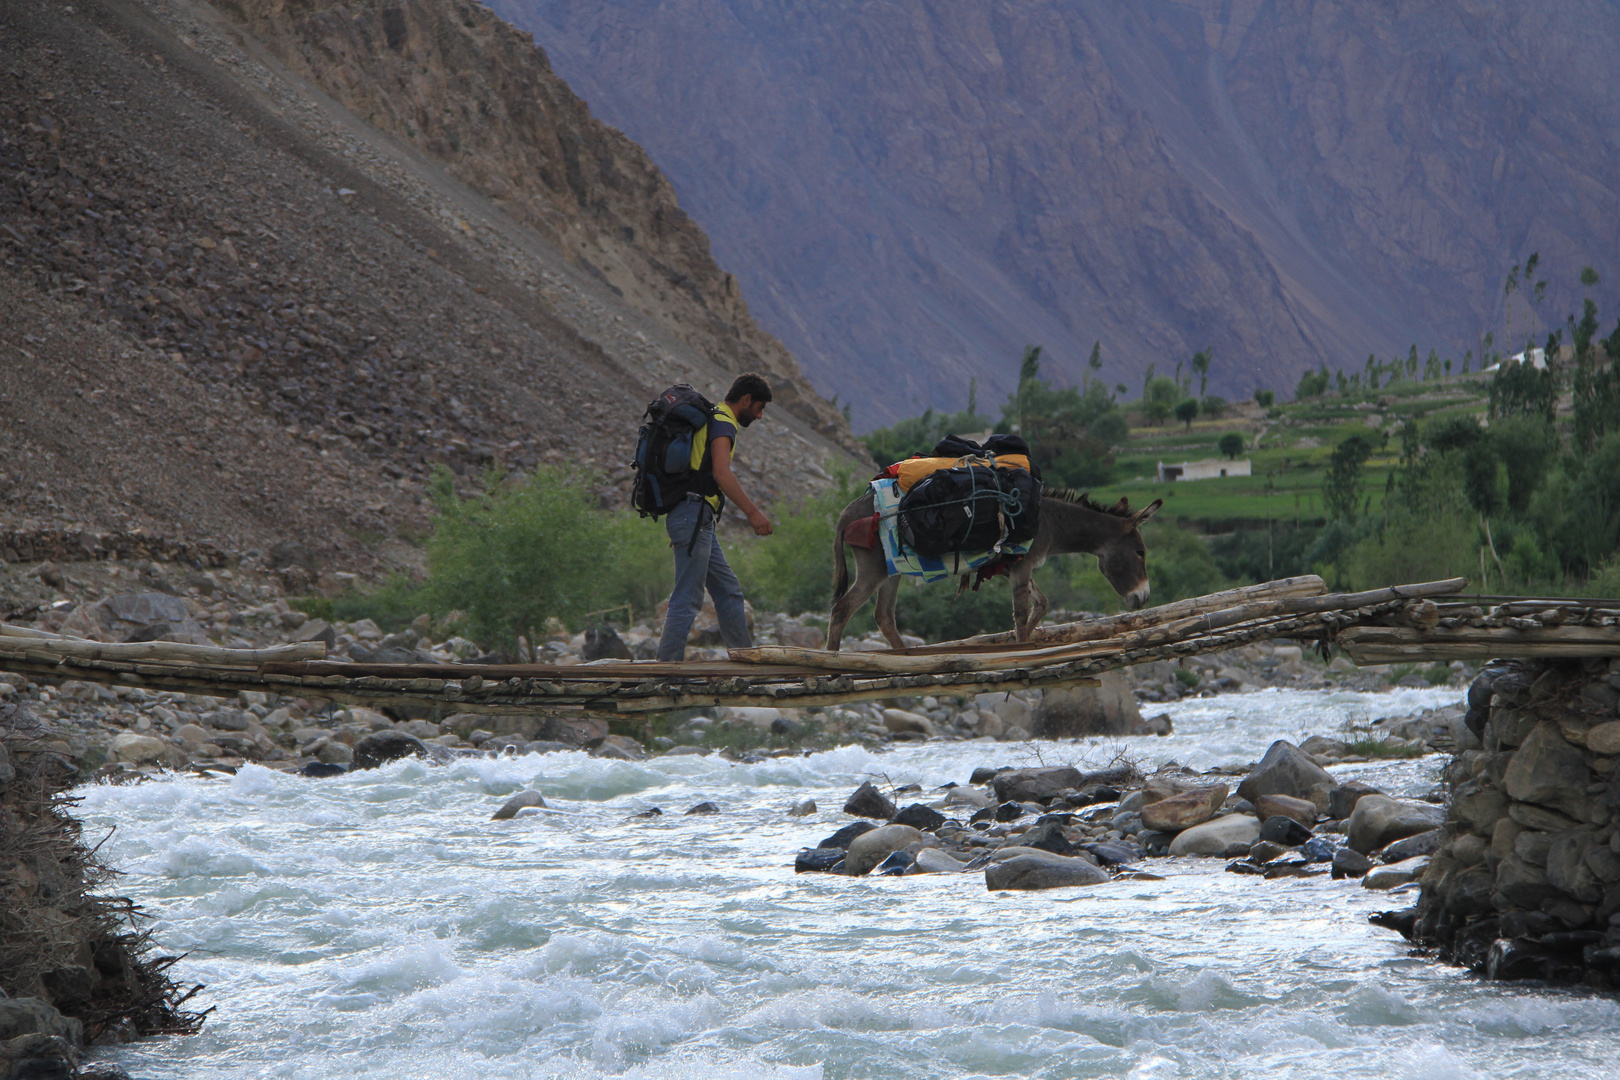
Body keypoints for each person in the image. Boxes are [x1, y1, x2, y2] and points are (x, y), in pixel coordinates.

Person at [655, 373, 775, 661]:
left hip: (696, 518)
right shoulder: (723, 422)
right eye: (759, 408)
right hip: (693, 515)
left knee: (728, 591)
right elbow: (722, 473)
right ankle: (665, 671)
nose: (759, 416)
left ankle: (745, 660)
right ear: (745, 400)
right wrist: (753, 513)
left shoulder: (714, 417)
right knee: (688, 597)